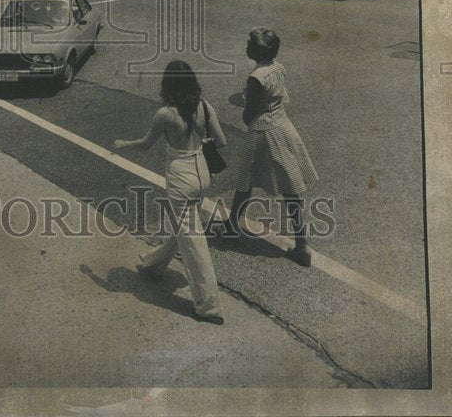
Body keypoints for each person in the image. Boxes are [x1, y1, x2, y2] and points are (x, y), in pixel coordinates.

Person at [113, 60, 228, 325]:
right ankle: (153, 266)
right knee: (184, 229)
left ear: (168, 84)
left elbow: (144, 145)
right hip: (202, 174)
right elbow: (222, 142)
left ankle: (209, 307)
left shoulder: (165, 114)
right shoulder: (204, 106)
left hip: (180, 177)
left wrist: (123, 143)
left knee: (194, 245)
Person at [227, 29, 318, 267]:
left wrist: (247, 112)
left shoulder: (256, 77)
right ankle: (301, 245)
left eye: (250, 44)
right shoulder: (278, 67)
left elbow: (250, 113)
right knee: (290, 187)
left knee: (244, 181)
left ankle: (231, 226)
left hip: (263, 131)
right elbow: (281, 97)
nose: (246, 46)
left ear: (259, 50)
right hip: (283, 125)